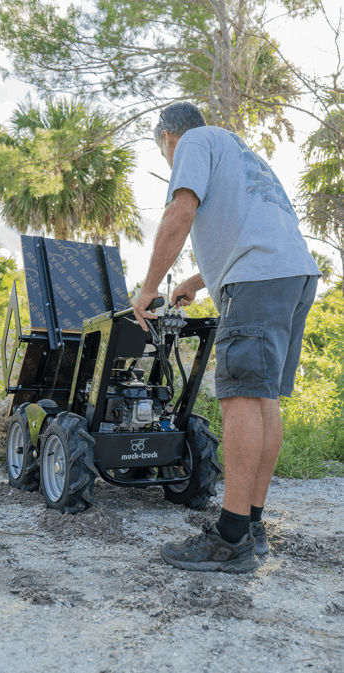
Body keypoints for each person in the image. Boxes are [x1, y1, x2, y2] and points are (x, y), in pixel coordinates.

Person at [132, 102, 321, 574]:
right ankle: (251, 525)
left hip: (257, 281)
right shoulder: (241, 153)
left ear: (169, 138)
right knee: (263, 400)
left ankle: (230, 538)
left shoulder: (193, 142)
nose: (171, 164)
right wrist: (195, 283)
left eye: (165, 155)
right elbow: (249, 230)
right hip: (294, 277)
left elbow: (182, 210)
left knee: (239, 399)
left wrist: (150, 286)